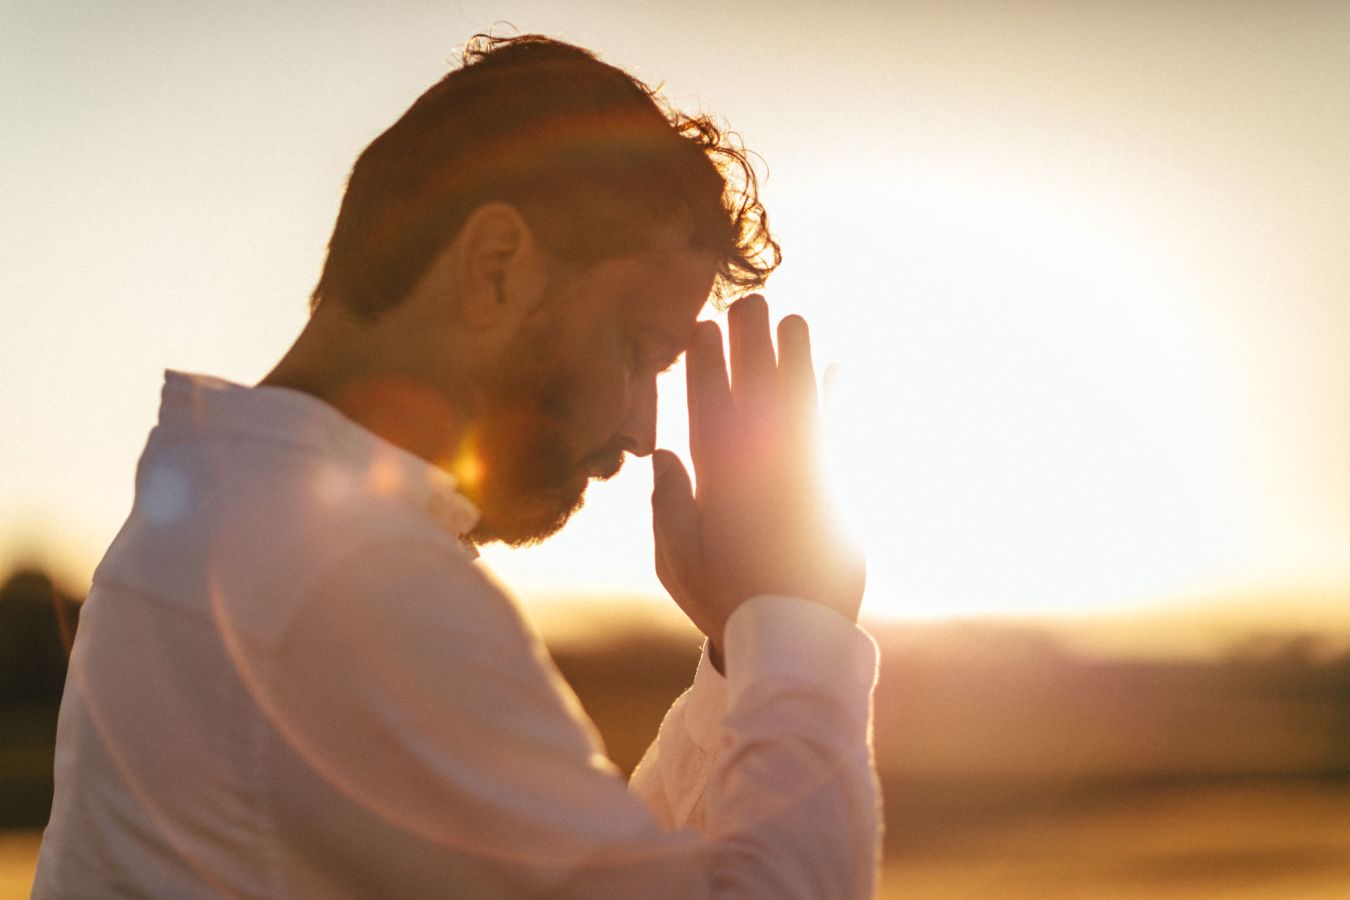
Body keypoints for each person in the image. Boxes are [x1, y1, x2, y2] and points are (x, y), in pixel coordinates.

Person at [34, 34, 879, 898]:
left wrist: (744, 655)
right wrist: (801, 620)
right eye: (635, 350)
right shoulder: (351, 583)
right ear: (496, 267)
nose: (639, 431)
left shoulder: (232, 523)